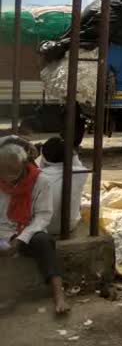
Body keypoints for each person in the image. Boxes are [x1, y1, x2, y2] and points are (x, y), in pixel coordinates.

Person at [0, 135, 69, 314]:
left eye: (12, 172)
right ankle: (8, 297)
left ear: (24, 165)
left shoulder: (41, 181)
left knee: (44, 242)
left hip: (26, 230)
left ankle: (58, 294)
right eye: (3, 172)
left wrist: (20, 240)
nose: (8, 178)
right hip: (1, 231)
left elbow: (43, 217)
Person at [38, 136, 89, 235]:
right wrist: (72, 153)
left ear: (43, 155)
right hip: (69, 225)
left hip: (41, 227)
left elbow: (41, 166)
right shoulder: (81, 172)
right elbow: (77, 165)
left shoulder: (36, 175)